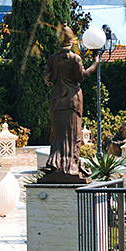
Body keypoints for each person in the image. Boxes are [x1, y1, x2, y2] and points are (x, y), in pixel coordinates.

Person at [39, 26, 101, 183]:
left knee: (58, 136)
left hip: (56, 101)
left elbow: (47, 78)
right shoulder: (75, 59)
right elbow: (82, 76)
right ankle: (70, 167)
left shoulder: (52, 59)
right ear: (72, 42)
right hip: (72, 101)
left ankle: (56, 165)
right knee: (73, 135)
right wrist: (95, 63)